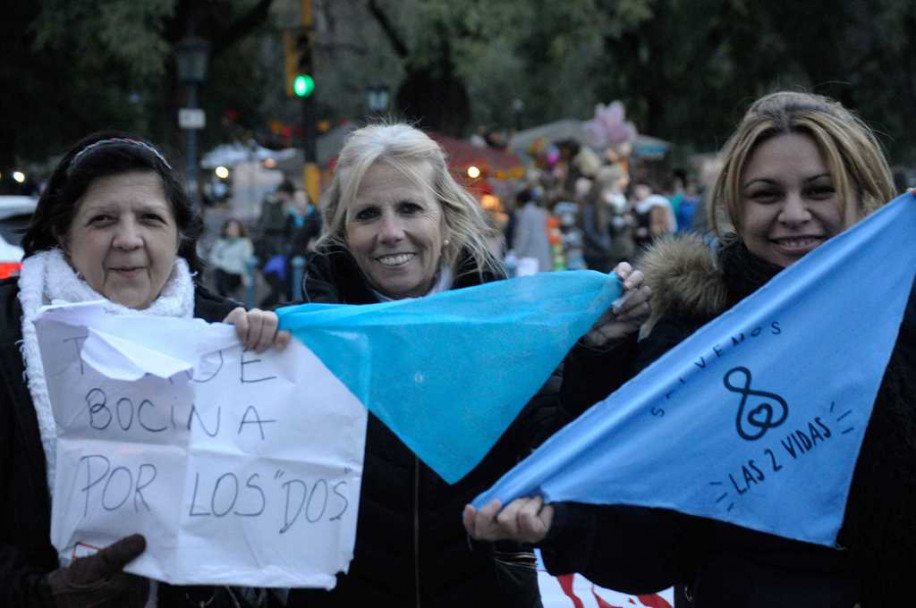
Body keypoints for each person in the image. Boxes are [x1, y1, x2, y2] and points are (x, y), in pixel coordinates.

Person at [464, 91, 914, 607]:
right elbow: (650, 549)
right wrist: (562, 525)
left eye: (820, 190)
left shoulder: (908, 308)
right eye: (767, 195)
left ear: (869, 196)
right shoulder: (694, 343)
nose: (795, 214)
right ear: (735, 209)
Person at [289, 123, 650, 607]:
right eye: (368, 214)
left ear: (445, 216)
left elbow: (559, 449)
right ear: (342, 230)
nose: (390, 232)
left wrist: (599, 353)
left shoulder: (504, 331)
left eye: (410, 208)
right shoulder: (299, 345)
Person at [1, 132, 289, 608]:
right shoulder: (8, 334)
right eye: (102, 220)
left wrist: (273, 351)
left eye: (150, 219)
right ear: (64, 235)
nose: (128, 239)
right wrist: (42, 595)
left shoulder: (230, 336)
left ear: (178, 236)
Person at [210, 218, 254, 298]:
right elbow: (213, 257)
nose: (232, 230)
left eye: (235, 228)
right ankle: (226, 298)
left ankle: (227, 299)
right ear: (225, 229)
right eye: (230, 227)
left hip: (237, 273)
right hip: (223, 270)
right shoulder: (220, 242)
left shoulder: (245, 242)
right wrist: (222, 264)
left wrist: (245, 275)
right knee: (218, 274)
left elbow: (247, 259)